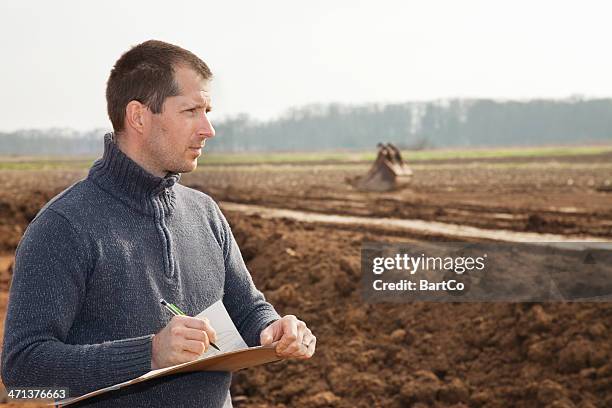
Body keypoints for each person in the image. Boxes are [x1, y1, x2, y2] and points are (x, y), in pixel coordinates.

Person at [1, 40, 316, 407]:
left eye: (207, 110)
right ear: (138, 116)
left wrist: (272, 327)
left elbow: (246, 308)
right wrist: (149, 354)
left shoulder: (205, 213)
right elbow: (22, 370)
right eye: (191, 111)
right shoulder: (64, 226)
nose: (208, 129)